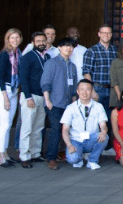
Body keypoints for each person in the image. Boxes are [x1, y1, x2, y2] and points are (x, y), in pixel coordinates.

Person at [41, 37, 78, 170]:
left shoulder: (72, 66)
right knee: (56, 130)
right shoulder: (52, 63)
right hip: (55, 103)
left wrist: (74, 104)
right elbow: (45, 83)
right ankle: (51, 158)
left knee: (66, 131)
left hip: (68, 104)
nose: (68, 48)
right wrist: (47, 101)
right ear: (59, 48)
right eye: (65, 46)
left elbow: (74, 87)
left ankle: (61, 154)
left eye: (71, 46)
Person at [82, 25, 117, 151]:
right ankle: (90, 147)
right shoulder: (91, 51)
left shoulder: (115, 50)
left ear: (111, 35)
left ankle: (106, 147)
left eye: (108, 33)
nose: (106, 35)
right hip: (98, 89)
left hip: (112, 90)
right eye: (103, 33)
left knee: (109, 119)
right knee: (93, 120)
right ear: (99, 34)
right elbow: (86, 71)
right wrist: (91, 91)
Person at [61, 80, 109, 170]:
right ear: (77, 91)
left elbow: (103, 125)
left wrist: (103, 131)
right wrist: (69, 145)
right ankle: (79, 158)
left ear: (91, 91)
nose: (84, 92)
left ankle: (92, 160)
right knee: (72, 159)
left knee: (105, 137)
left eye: (87, 90)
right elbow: (65, 130)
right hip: (76, 140)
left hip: (91, 138)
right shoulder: (71, 108)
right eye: (81, 90)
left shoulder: (98, 106)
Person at [18, 31, 49, 167]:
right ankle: (24, 156)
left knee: (38, 127)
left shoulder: (47, 57)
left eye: (43, 41)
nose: (41, 43)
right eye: (38, 41)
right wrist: (28, 96)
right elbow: (23, 78)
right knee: (27, 127)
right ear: (33, 43)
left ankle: (35, 153)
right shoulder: (28, 56)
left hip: (43, 96)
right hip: (30, 97)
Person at [0, 28, 23, 167]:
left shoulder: (18, 53)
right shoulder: (4, 54)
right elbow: (0, 77)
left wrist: (16, 92)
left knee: (9, 125)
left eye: (17, 37)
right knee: (4, 125)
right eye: (12, 38)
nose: (15, 40)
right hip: (5, 91)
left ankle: (6, 154)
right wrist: (5, 97)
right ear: (8, 39)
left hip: (14, 91)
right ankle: (1, 156)